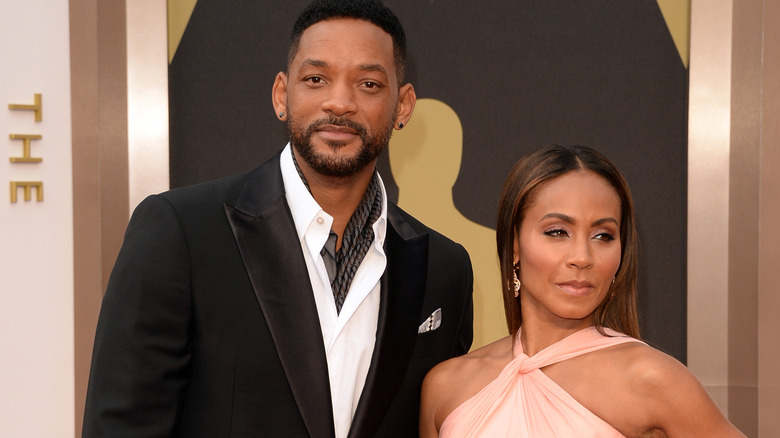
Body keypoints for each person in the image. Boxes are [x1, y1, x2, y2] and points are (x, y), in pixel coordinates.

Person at [82, 1, 473, 437]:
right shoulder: (181, 233)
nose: (339, 102)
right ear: (281, 95)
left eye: (367, 83)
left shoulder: (444, 268)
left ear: (403, 105)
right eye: (316, 79)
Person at [420, 145, 744, 437]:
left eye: (603, 236)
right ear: (514, 245)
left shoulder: (653, 380)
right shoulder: (446, 387)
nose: (581, 258)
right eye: (558, 232)